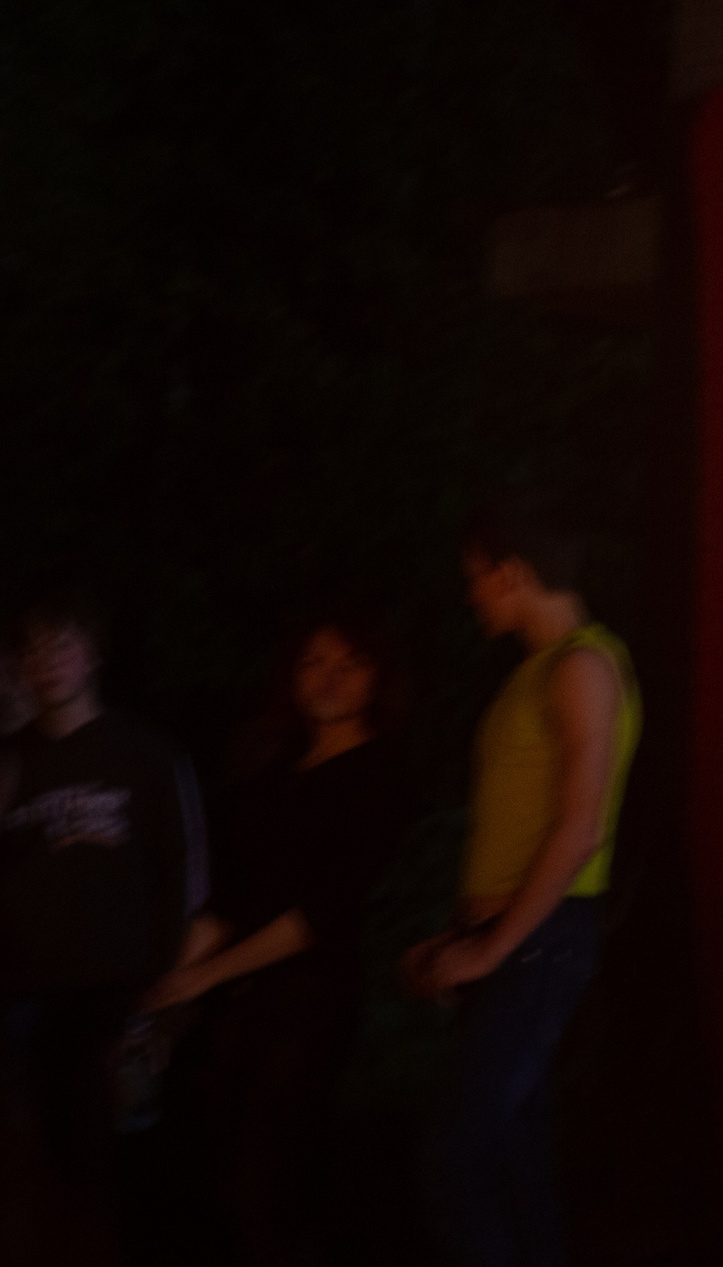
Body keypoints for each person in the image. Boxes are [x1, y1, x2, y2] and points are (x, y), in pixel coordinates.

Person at [403, 499, 641, 1267]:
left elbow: (580, 829)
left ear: (512, 573)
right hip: (519, 936)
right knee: (511, 1152)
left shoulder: (582, 664)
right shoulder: (538, 672)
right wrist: (463, 939)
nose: (471, 593)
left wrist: (489, 949)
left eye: (476, 577)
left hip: (542, 939)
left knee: (456, 1155)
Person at [144, 614, 412, 1266]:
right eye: (313, 661)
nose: (328, 677)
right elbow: (233, 898)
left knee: (266, 1180)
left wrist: (205, 976)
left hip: (309, 1001)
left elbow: (315, 915)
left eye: (349, 663)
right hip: (245, 998)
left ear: (376, 677)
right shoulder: (277, 772)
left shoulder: (376, 773)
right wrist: (164, 984)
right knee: (214, 1169)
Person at [0, 589, 208, 1264]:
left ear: (91, 654)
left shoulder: (146, 753)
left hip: (115, 997)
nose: (46, 662)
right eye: (32, 650)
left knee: (114, 1182)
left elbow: (187, 878)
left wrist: (167, 1006)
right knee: (31, 1175)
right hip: (24, 998)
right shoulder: (12, 761)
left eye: (61, 645)